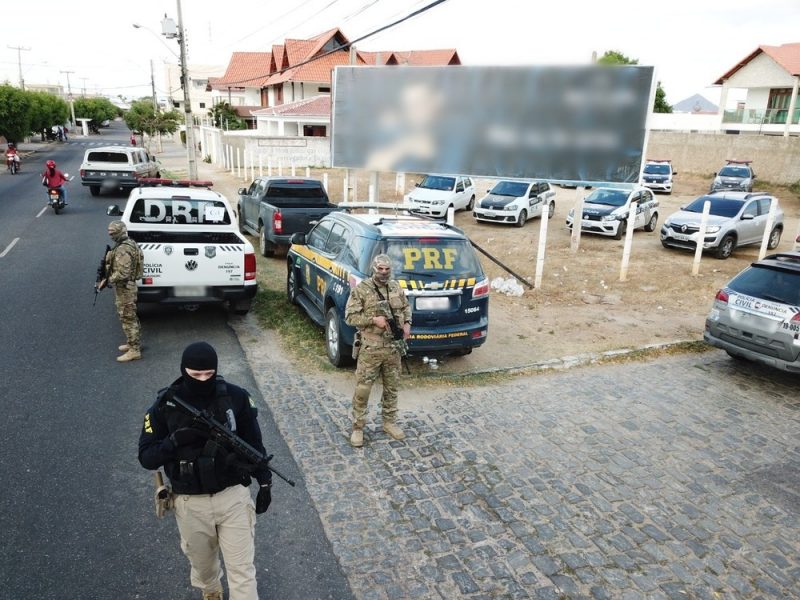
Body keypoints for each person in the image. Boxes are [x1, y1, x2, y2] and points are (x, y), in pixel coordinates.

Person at [138, 341, 272, 600]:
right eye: (195, 374)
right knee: (203, 567)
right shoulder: (164, 406)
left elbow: (254, 444)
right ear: (183, 370)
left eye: (208, 374)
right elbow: (146, 457)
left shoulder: (236, 397)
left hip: (232, 496)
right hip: (190, 503)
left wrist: (264, 481)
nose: (202, 380)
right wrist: (175, 441)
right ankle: (211, 591)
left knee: (242, 572)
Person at [344, 254, 412, 447]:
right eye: (380, 269)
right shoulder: (362, 290)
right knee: (363, 389)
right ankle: (358, 427)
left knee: (392, 387)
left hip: (393, 348)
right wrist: (373, 320)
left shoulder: (395, 287)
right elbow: (349, 317)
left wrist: (407, 324)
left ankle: (389, 422)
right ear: (374, 268)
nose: (383, 272)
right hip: (371, 348)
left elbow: (406, 307)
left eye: (387, 269)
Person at [99, 221, 143, 362]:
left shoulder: (123, 249)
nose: (111, 235)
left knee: (127, 318)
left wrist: (108, 280)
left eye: (113, 233)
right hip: (128, 287)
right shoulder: (129, 243)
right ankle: (133, 343)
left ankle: (134, 350)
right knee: (131, 316)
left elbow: (123, 273)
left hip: (125, 288)